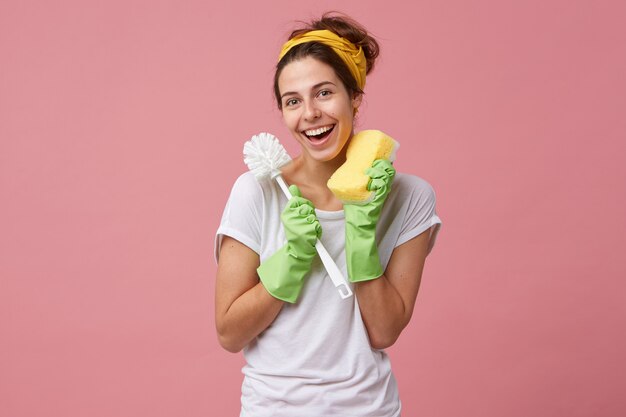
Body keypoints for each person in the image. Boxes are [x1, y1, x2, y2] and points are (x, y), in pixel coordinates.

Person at [214, 12, 442, 417]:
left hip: (369, 409)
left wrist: (361, 234)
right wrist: (292, 258)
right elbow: (230, 333)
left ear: (354, 96)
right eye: (293, 101)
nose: (310, 113)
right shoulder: (257, 192)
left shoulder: (410, 197)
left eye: (323, 93)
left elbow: (385, 331)